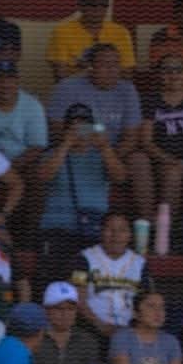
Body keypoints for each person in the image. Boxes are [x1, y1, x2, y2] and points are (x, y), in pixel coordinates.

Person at [35, 102, 127, 282]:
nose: (80, 132)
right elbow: (43, 176)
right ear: (66, 129)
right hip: (58, 229)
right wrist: (66, 144)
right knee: (53, 281)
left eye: (85, 127)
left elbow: (120, 177)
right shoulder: (53, 154)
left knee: (85, 281)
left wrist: (105, 147)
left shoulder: (102, 155)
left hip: (93, 230)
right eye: (74, 127)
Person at [135, 55, 183, 228]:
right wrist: (173, 161)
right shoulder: (150, 100)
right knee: (173, 173)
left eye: (178, 70)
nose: (173, 74)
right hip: (162, 160)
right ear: (159, 74)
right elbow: (146, 141)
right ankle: (165, 231)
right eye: (167, 70)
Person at [70, 211, 151, 338]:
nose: (116, 235)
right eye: (110, 229)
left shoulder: (140, 263)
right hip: (91, 330)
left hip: (130, 332)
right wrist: (100, 326)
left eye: (122, 230)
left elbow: (148, 302)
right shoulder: (84, 258)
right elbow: (77, 300)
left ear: (130, 235)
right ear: (101, 231)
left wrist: (133, 328)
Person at [33, 281, 102, 364]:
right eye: (59, 308)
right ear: (46, 310)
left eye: (71, 309)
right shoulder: (34, 340)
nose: (65, 314)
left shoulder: (87, 341)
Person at [47, 0, 136, 83]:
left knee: (129, 88)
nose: (97, 8)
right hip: (76, 89)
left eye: (103, 3)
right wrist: (103, 70)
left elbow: (128, 74)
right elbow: (60, 76)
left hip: (111, 89)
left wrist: (86, 69)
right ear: (80, 5)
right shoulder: (62, 32)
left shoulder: (120, 32)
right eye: (91, 3)